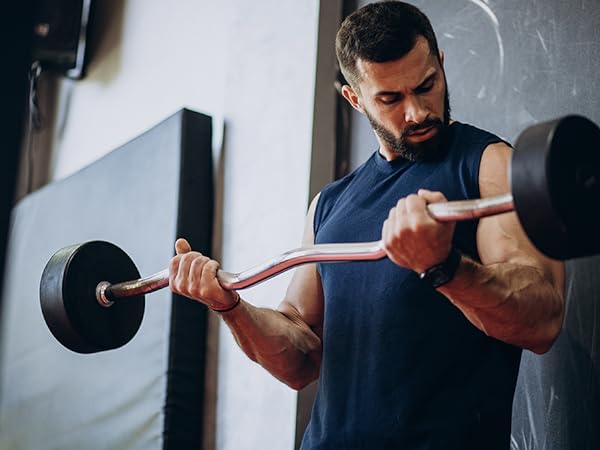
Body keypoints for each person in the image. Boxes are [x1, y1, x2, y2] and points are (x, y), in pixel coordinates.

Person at [169, 1, 565, 448]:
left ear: (441, 64)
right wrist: (232, 307)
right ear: (355, 99)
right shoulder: (329, 205)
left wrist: (443, 267)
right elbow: (299, 361)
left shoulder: (487, 166)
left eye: (426, 85)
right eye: (391, 99)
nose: (416, 112)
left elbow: (542, 321)